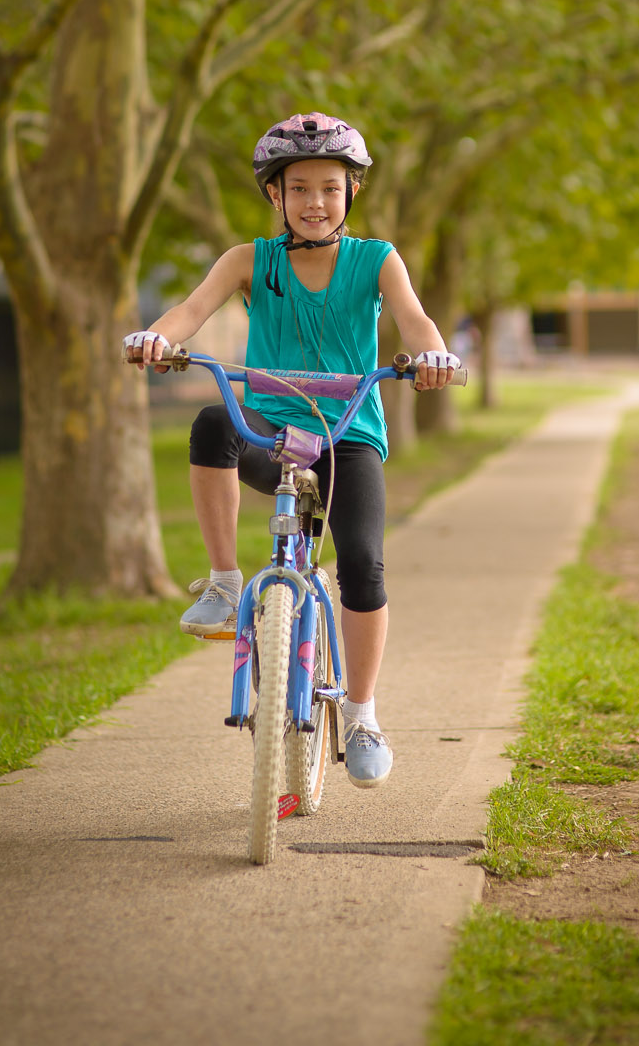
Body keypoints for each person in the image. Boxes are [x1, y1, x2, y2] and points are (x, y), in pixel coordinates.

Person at [122, 112, 460, 788]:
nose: (314, 203)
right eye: (298, 188)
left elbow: (414, 317)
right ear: (274, 195)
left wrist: (431, 350)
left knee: (363, 565)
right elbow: (189, 313)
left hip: (345, 440)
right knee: (214, 422)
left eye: (330, 189)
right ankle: (223, 582)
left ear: (351, 194)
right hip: (270, 435)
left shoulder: (377, 259)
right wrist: (154, 338)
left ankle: (361, 713)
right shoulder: (250, 261)